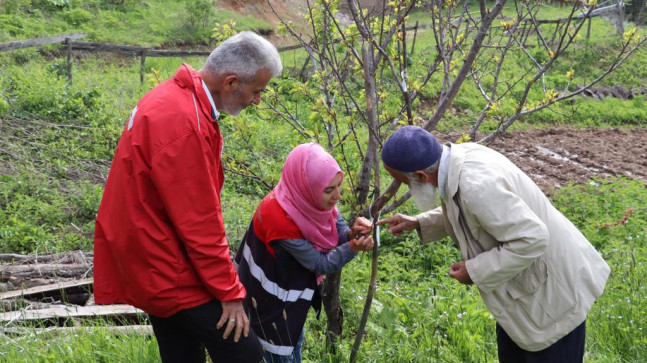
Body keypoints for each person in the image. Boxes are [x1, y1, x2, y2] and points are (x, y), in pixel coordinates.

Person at [93, 32, 282, 363]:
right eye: (256, 92)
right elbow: (199, 223)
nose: (257, 101)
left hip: (149, 256)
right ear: (231, 82)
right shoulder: (186, 125)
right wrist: (229, 292)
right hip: (167, 265)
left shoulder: (172, 97)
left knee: (181, 352)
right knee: (243, 351)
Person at [377, 126, 610, 363]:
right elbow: (471, 209)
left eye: (404, 181)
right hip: (527, 298)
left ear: (421, 176)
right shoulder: (457, 161)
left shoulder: (476, 185)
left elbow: (532, 238)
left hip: (553, 297)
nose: (406, 187)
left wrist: (474, 271)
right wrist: (419, 222)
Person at [234, 143, 374, 363]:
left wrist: (350, 235)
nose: (337, 195)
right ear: (306, 187)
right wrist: (353, 249)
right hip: (271, 303)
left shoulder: (301, 198)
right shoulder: (279, 219)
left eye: (339, 185)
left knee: (293, 342)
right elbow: (319, 264)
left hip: (290, 294)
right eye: (328, 190)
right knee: (280, 351)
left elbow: (335, 224)